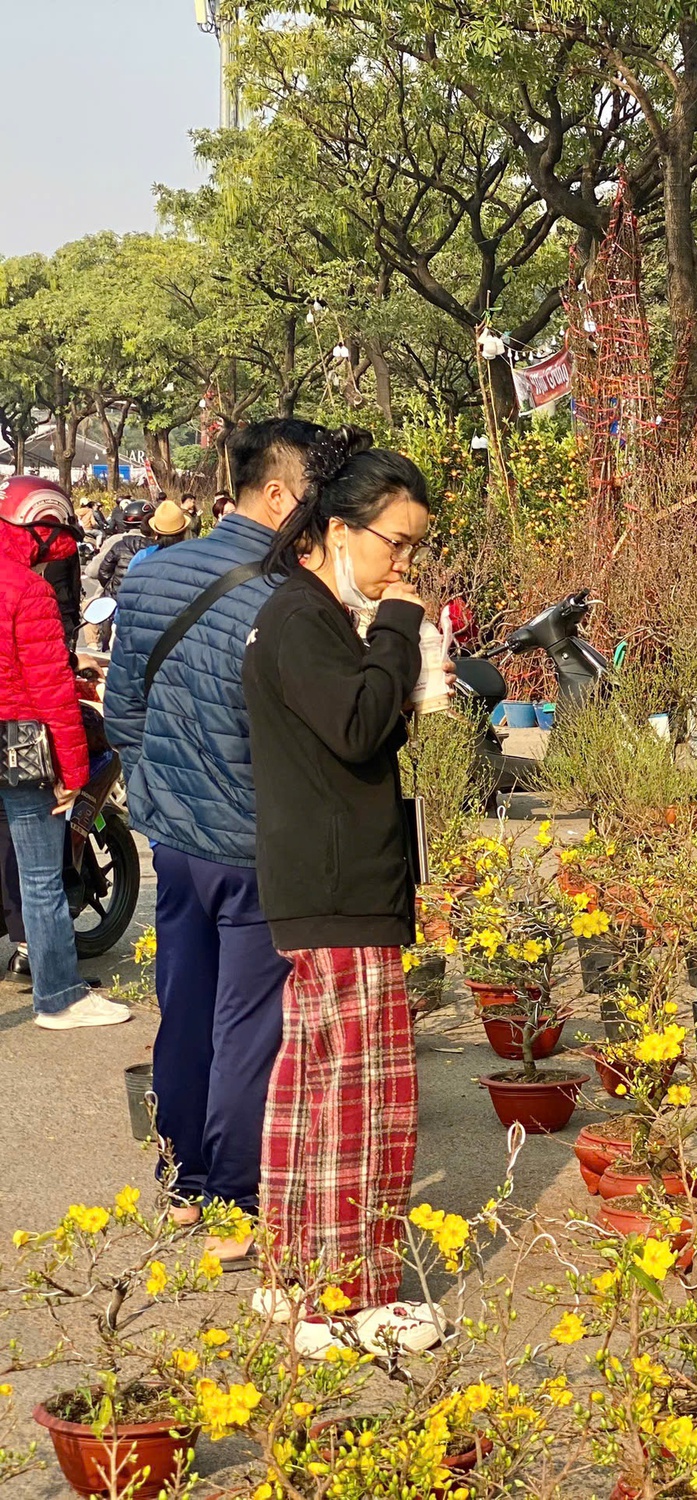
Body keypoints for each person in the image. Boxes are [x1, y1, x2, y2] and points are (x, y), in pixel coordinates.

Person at [104, 419, 325, 1252]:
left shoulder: (155, 574)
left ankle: (181, 1180)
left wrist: (162, 795)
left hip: (175, 843)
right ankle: (234, 1194)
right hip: (251, 845)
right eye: (311, 499)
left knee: (185, 1008)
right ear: (275, 493)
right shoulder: (286, 597)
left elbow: (126, 706)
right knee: (247, 1022)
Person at [242, 427, 440, 1357]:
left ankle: (292, 1281)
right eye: (396, 543)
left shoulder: (302, 616)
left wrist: (387, 641)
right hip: (336, 886)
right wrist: (399, 626)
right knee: (364, 1100)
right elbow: (361, 728)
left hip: (326, 881)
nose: (405, 563)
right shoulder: (300, 616)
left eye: (414, 549)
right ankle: (352, 1297)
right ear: (336, 528)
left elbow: (351, 731)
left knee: (315, 1095)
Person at [0, 480, 130, 1030]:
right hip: (20, 748)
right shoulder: (28, 591)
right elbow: (53, 690)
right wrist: (74, 773)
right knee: (39, 878)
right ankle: (58, 998)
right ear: (43, 527)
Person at [126, 498, 192, 573]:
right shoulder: (194, 558)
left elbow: (129, 582)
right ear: (185, 531)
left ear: (156, 533)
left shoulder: (142, 557)